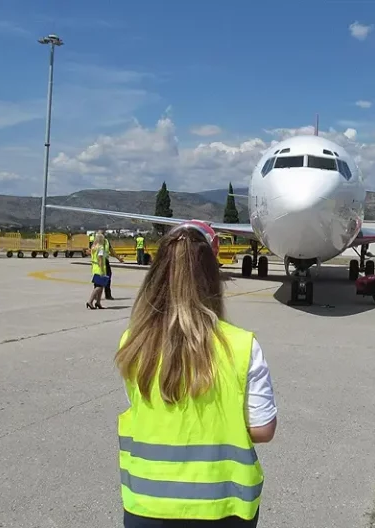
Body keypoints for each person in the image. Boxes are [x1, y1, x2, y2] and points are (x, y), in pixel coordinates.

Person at [115, 222, 277, 528]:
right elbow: (263, 430)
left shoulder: (133, 342)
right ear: (212, 278)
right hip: (222, 508)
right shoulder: (242, 347)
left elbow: (144, 407)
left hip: (146, 506)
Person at [97, 230, 124, 300]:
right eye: (101, 234)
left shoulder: (106, 242)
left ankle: (107, 294)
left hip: (105, 260)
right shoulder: (97, 242)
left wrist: (119, 258)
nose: (102, 235)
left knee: (108, 277)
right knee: (99, 278)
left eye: (103, 234)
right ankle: (96, 295)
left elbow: (111, 251)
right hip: (98, 261)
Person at [87, 233, 108, 310]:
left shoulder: (94, 247)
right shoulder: (100, 248)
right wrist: (102, 270)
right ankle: (90, 301)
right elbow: (100, 259)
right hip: (100, 268)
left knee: (100, 286)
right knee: (99, 287)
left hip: (94, 268)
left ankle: (98, 302)